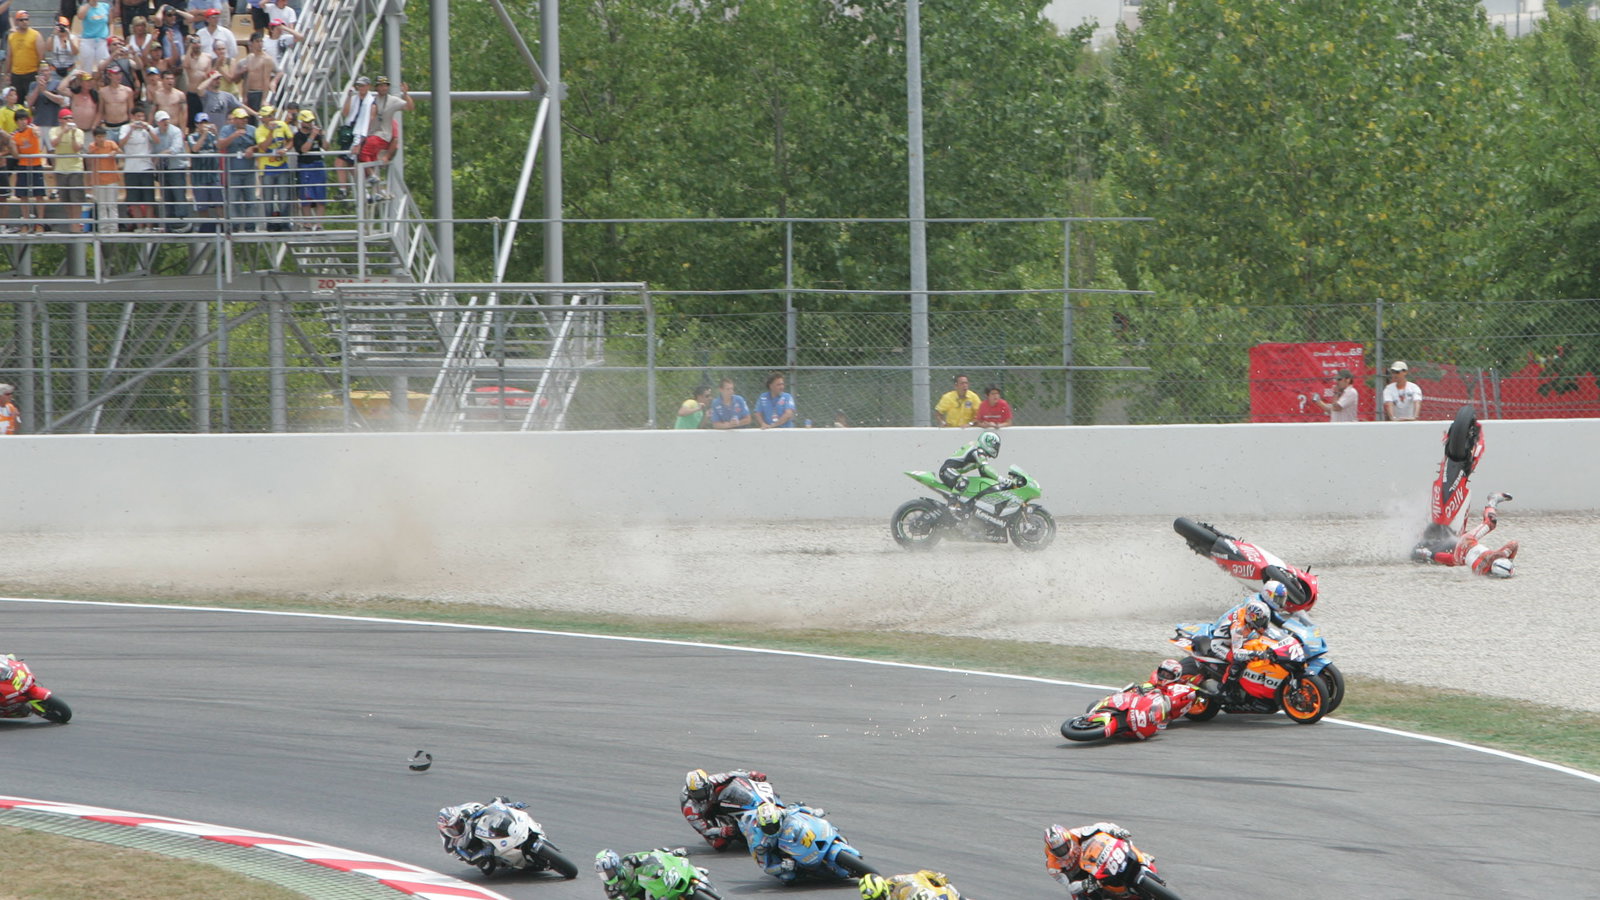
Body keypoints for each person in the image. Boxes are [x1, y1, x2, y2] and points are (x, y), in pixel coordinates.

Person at [1413, 491, 1518, 577]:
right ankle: (1426, 553)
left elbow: (1514, 544)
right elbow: (1514, 545)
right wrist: (1509, 560)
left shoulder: (1496, 558)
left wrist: (1509, 559)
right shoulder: (1482, 572)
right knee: (1452, 560)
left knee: (1490, 523)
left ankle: (1493, 500)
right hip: (1461, 556)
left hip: (1468, 541)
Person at [1044, 822, 1145, 899]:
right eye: (1058, 851)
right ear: (1052, 851)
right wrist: (1085, 884)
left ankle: (1143, 859)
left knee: (1122, 843)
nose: (1062, 852)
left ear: (1069, 840)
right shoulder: (1052, 866)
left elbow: (1098, 827)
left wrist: (1115, 831)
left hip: (1093, 860)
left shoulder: (1076, 833)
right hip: (1081, 879)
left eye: (1063, 847)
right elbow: (1069, 886)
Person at [680, 767, 768, 850]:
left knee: (730, 787)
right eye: (696, 794)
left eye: (702, 792)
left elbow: (733, 774)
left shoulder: (713, 780)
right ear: (690, 792)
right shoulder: (689, 809)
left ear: (708, 786)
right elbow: (704, 830)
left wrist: (753, 774)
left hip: (715, 799)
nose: (700, 796)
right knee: (720, 845)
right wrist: (723, 831)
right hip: (703, 812)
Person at [436, 798, 523, 865]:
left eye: (458, 823)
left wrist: (510, 805)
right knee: (485, 864)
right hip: (472, 845)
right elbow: (469, 859)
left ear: (460, 818)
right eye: (451, 828)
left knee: (500, 799)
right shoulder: (450, 846)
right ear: (444, 829)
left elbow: (489, 807)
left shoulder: (467, 810)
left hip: (478, 826)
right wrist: (483, 853)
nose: (457, 828)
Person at [117, 107, 158, 231]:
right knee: (134, 200)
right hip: (131, 168)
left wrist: (148, 129)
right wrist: (131, 129)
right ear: (132, 117)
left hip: (146, 168)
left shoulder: (148, 128)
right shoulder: (125, 128)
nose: (140, 119)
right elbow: (121, 144)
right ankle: (139, 226)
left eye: (142, 116)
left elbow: (157, 141)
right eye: (138, 116)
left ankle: (149, 227)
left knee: (149, 200)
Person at [251, 102, 292, 229]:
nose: (272, 118)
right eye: (269, 116)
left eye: (273, 115)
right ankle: (270, 224)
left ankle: (285, 223)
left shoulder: (282, 125)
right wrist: (270, 131)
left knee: (284, 197)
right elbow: (263, 147)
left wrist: (285, 149)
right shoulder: (259, 131)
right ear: (263, 119)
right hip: (267, 168)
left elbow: (291, 139)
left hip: (282, 165)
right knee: (268, 198)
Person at [937, 430, 1002, 507]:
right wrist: (1001, 479)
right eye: (995, 446)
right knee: (963, 481)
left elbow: (985, 475)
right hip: (946, 471)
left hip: (951, 472)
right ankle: (951, 505)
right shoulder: (977, 450)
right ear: (988, 442)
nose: (996, 448)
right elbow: (985, 468)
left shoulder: (978, 451)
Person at [217, 106, 256, 230]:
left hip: (249, 171)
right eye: (241, 118)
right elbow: (220, 145)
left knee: (250, 199)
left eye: (245, 118)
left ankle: (250, 226)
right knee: (233, 200)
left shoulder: (252, 129)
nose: (244, 121)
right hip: (232, 171)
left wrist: (252, 148)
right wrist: (233, 136)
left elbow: (261, 144)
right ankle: (234, 226)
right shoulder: (226, 129)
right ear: (234, 120)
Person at [333, 75, 374, 190]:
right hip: (350, 132)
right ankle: (364, 190)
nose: (361, 88)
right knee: (350, 164)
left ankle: (346, 189)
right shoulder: (354, 99)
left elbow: (368, 121)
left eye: (363, 86)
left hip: (360, 134)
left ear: (368, 86)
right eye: (359, 86)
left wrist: (360, 140)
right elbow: (346, 113)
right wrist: (348, 97)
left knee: (342, 162)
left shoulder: (371, 102)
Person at [48, 107, 85, 231]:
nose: (69, 120)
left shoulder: (79, 132)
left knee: (76, 198)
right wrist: (63, 132)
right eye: (66, 118)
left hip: (75, 168)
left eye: (71, 118)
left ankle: (76, 224)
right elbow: (53, 144)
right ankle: (71, 222)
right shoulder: (54, 130)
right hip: (60, 168)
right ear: (60, 120)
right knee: (65, 198)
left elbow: (77, 148)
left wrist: (73, 135)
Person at [10, 107, 46, 232]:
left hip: (36, 165)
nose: (23, 122)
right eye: (20, 120)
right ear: (16, 121)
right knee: (23, 195)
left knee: (39, 194)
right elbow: (16, 155)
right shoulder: (14, 135)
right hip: (23, 166)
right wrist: (12, 146)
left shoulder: (32, 129)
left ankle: (40, 223)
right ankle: (25, 222)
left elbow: (37, 133)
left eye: (25, 119)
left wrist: (37, 131)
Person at [152, 107, 188, 230]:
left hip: (176, 167)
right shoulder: (154, 133)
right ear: (157, 122)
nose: (165, 122)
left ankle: (182, 222)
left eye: (167, 119)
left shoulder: (176, 131)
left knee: (179, 195)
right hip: (162, 169)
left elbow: (176, 148)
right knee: (166, 196)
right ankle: (169, 222)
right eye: (162, 120)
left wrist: (160, 155)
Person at [290, 107, 325, 227]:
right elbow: (303, 149)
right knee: (306, 196)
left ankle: (319, 224)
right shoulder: (297, 136)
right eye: (307, 121)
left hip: (318, 165)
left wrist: (322, 136)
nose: (310, 124)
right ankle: (308, 223)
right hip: (305, 166)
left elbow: (326, 147)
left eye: (311, 121)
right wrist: (312, 136)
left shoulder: (316, 134)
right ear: (301, 122)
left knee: (320, 195)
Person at [186, 110, 221, 229]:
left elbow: (219, 146)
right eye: (201, 123)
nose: (204, 125)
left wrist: (216, 134)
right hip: (199, 176)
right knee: (202, 204)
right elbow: (195, 148)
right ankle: (206, 226)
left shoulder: (213, 136)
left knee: (219, 202)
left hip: (213, 174)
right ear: (196, 124)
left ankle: (223, 225)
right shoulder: (192, 137)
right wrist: (204, 134)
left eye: (206, 122)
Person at [84, 122, 120, 232]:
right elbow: (90, 155)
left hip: (111, 178)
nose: (101, 139)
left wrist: (114, 152)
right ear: (94, 137)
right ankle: (103, 228)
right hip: (98, 179)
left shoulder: (111, 144)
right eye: (99, 137)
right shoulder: (92, 146)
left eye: (103, 136)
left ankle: (113, 228)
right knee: (101, 205)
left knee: (112, 204)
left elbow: (119, 150)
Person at [6, 9, 45, 104]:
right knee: (17, 102)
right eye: (21, 20)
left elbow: (41, 56)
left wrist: (40, 73)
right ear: (16, 21)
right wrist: (7, 73)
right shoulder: (12, 36)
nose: (24, 22)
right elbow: (9, 56)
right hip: (16, 75)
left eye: (26, 19)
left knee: (32, 102)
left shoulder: (36, 35)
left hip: (31, 73)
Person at [859, 871, 961, 900]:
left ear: (884, 890)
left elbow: (918, 876)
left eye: (879, 898)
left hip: (931, 891)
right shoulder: (890, 883)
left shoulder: (906, 891)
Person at [75, 0, 112, 74]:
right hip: (88, 40)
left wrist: (111, 34)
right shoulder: (83, 7)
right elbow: (80, 16)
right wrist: (89, 5)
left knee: (104, 66)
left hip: (102, 40)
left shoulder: (105, 6)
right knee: (86, 67)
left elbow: (111, 22)